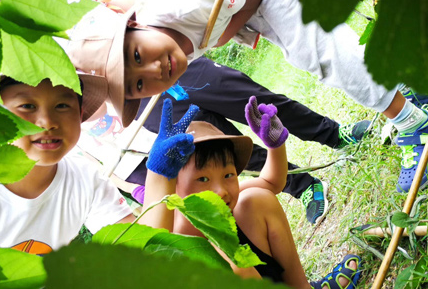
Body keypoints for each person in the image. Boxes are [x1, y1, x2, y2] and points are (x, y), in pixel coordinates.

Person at [61, 0, 427, 193]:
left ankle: (412, 122)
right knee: (312, 53)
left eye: (139, 54)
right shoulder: (167, 36)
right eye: (141, 83)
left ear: (137, 25)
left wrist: (225, 34)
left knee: (320, 52)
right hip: (256, 7)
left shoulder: (178, 5)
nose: (156, 68)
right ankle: (414, 83)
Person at [137, 97, 362, 287]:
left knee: (257, 199)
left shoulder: (224, 203)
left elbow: (271, 183)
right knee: (224, 259)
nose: (221, 190)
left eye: (228, 175)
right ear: (174, 185)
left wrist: (275, 145)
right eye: (202, 179)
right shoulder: (177, 233)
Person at [120, 56, 371, 225]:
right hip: (136, 102)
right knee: (223, 149)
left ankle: (335, 134)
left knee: (260, 105)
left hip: (167, 65)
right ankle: (303, 185)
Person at [0, 75, 136, 254]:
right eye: (27, 106)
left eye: (62, 106)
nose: (47, 122)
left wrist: (160, 176)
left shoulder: (86, 179)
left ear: (80, 115)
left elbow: (136, 251)